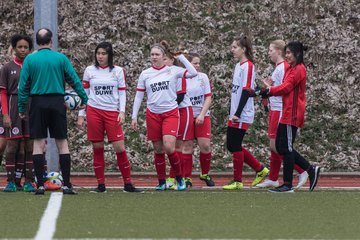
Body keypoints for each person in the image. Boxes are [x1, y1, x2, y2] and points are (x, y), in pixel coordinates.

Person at [18, 28, 88, 195]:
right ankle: (67, 185)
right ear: (51, 41)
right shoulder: (60, 58)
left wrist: (22, 108)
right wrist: (84, 99)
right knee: (62, 143)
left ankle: (40, 185)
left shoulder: (30, 59)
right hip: (57, 102)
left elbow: (23, 86)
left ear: (36, 42)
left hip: (38, 103)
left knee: (38, 144)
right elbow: (74, 79)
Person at [77, 42, 142, 193]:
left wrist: (122, 111)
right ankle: (101, 185)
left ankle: (128, 184)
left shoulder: (118, 71)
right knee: (97, 147)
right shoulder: (89, 70)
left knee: (120, 147)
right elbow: (84, 94)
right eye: (98, 53)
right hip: (94, 111)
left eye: (103, 54)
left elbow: (122, 93)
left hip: (112, 112)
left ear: (110, 55)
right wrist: (81, 115)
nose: (100, 56)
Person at [131, 41, 197, 191]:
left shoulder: (173, 70)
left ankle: (179, 179)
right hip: (152, 114)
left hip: (171, 113)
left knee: (169, 147)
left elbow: (193, 73)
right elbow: (139, 96)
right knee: (158, 149)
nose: (154, 57)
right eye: (152, 54)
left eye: (157, 54)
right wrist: (134, 116)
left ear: (163, 56)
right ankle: (161, 182)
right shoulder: (145, 74)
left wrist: (182, 58)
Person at [259, 41, 321, 192]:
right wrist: (266, 90)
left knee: (285, 149)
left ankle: (288, 184)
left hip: (292, 114)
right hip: (286, 112)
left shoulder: (299, 69)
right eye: (285, 53)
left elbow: (286, 87)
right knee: (281, 147)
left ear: (297, 54)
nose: (286, 56)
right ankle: (309, 169)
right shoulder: (292, 69)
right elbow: (283, 86)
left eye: (288, 53)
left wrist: (269, 90)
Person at [223, 36, 269, 190]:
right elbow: (235, 91)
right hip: (235, 111)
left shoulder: (248, 66)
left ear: (243, 49)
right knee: (231, 145)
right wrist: (231, 110)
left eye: (235, 47)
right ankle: (260, 169)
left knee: (235, 144)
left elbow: (246, 90)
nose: (232, 49)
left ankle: (238, 181)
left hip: (242, 112)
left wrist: (237, 112)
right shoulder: (238, 66)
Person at [0, 34, 36, 192]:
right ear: (14, 49)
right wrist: (5, 115)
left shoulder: (34, 67)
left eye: (26, 47)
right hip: (13, 105)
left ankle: (28, 181)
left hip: (30, 106)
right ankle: (10, 182)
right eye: (19, 47)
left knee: (29, 145)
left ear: (30, 49)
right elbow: (2, 93)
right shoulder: (7, 68)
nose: (23, 50)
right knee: (12, 144)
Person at [180, 53, 215, 187]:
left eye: (199, 63)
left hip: (202, 115)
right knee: (187, 146)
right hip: (187, 115)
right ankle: (187, 177)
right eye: (195, 63)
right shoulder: (182, 77)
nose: (198, 66)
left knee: (205, 146)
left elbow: (208, 97)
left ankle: (205, 174)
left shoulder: (203, 77)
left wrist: (201, 114)